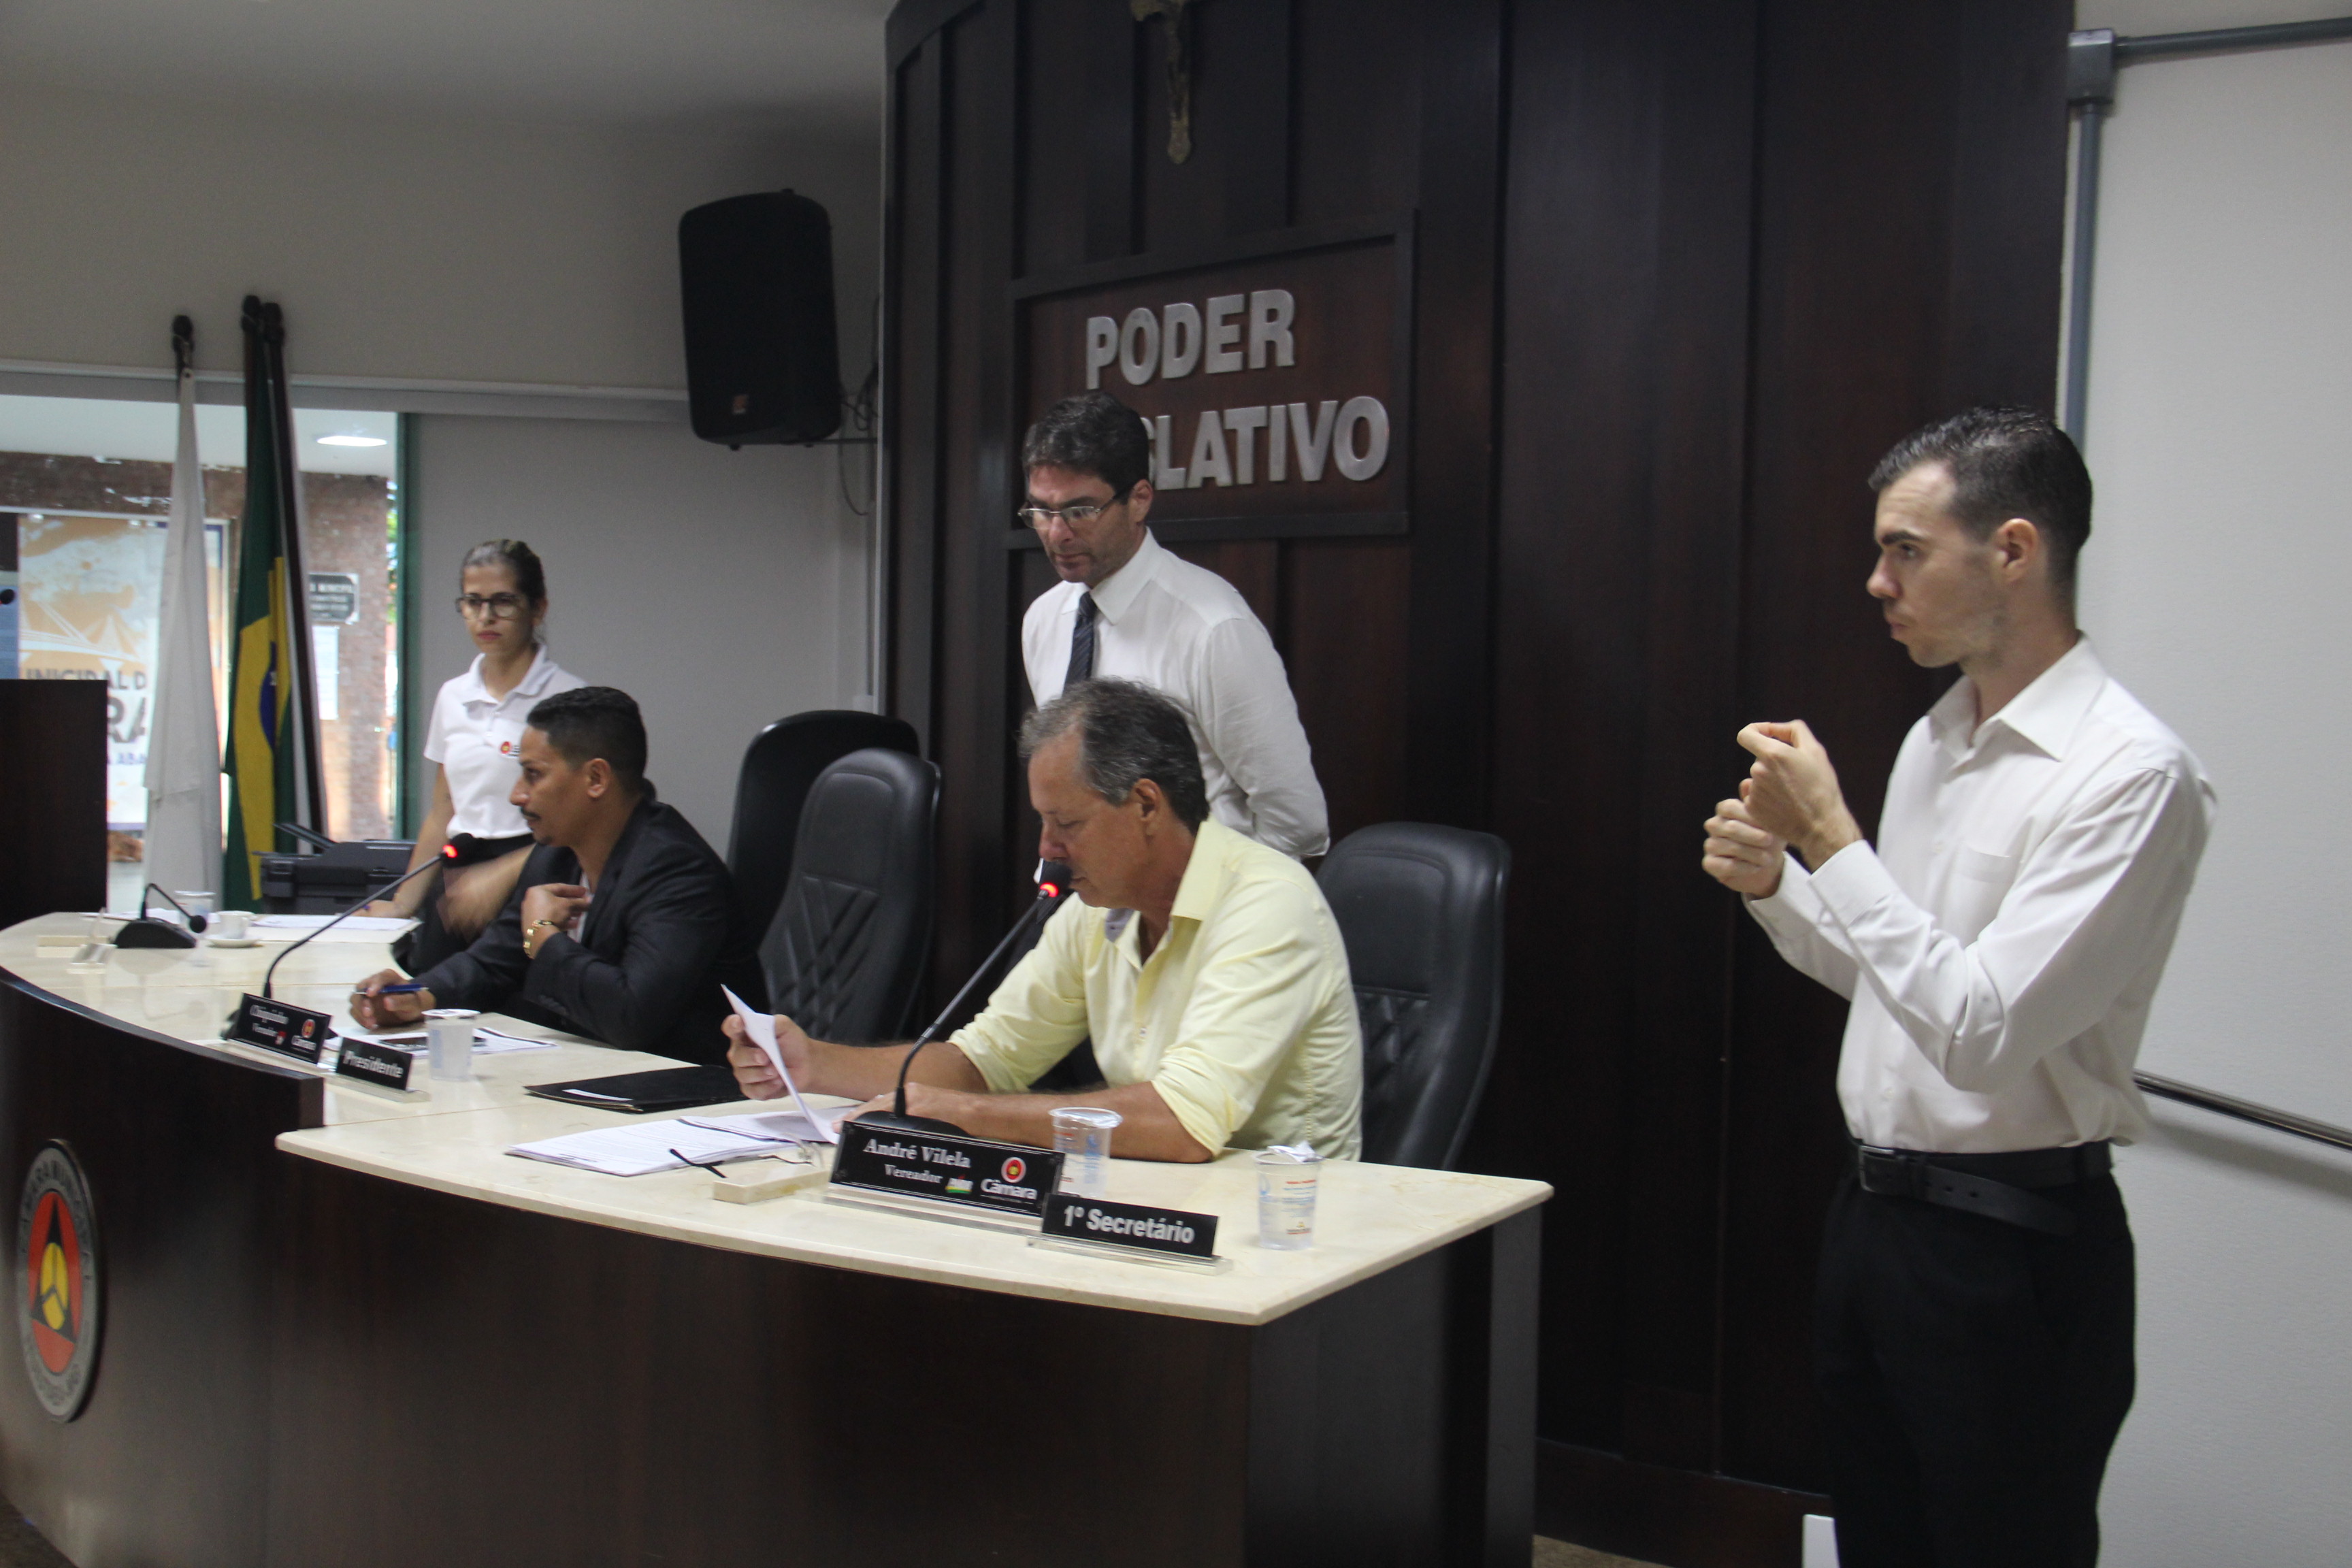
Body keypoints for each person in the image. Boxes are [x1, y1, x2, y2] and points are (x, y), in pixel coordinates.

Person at [1700, 408, 2214, 1568]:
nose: (1876, 582)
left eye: (1906, 551)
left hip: (2013, 1246)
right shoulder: (1938, 736)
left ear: (2014, 550)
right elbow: (1903, 987)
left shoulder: (2130, 774)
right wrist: (1778, 885)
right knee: (1880, 1539)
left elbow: (1982, 1033)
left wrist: (1832, 838)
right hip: (1876, 1219)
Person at [725, 679, 1361, 1160]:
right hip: (1159, 1204)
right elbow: (983, 1060)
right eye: (1042, 822)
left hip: (1291, 1226)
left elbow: (1182, 1125)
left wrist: (968, 1116)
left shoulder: (1267, 904)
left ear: (1146, 804)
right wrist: (812, 1063)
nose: (1047, 849)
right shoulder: (1096, 911)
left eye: (1068, 823)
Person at [352, 686, 762, 1064]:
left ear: (596, 779)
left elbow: (631, 1016)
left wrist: (543, 937)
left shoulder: (677, 870)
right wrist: (418, 996)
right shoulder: (556, 852)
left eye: (533, 774)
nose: (517, 794)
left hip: (689, 1091)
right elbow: (494, 961)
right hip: (593, 1073)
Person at [1020, 391, 1328, 859]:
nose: (1057, 534)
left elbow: (1298, 824)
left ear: (1139, 500)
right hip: (1081, 892)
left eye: (1081, 511)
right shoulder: (1044, 619)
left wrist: (1204, 896)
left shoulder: (1213, 628)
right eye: (1042, 511)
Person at [370, 539, 585, 973]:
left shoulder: (569, 698)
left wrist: (504, 873)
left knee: (514, 1004)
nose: (486, 617)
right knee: (426, 993)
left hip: (536, 874)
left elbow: (583, 823)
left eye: (503, 602)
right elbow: (444, 809)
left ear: (537, 608)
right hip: (459, 872)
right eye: (473, 602)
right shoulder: (453, 696)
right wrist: (403, 903)